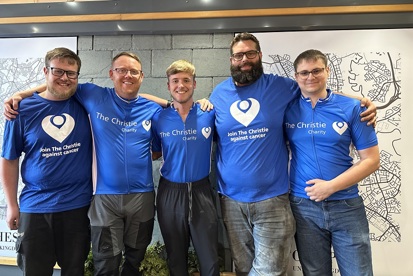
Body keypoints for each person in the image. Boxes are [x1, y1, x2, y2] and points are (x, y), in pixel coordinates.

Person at [208, 32, 377, 275]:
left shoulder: (281, 86)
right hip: (232, 200)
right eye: (238, 55)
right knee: (245, 267)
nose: (244, 59)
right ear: (231, 59)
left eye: (250, 53)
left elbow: (318, 90)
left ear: (260, 56)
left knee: (269, 269)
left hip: (275, 199)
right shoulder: (218, 93)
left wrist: (362, 101)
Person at [4, 52, 163, 276]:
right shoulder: (90, 96)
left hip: (103, 203)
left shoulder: (149, 108)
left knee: (127, 262)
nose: (127, 75)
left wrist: (172, 102)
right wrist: (21, 94)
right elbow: (57, 86)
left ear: (142, 76)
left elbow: (153, 140)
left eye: (133, 71)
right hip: (67, 203)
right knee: (103, 264)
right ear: (111, 74)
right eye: (121, 70)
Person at [284, 49, 379, 276]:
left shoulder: (353, 108)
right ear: (296, 76)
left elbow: (372, 160)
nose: (310, 77)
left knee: (359, 272)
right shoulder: (286, 109)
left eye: (316, 70)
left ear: (327, 70)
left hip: (346, 206)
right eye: (304, 72)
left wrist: (331, 187)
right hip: (303, 206)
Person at [0, 47, 92, 276]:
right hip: (35, 208)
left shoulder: (85, 102)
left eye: (71, 73)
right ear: (45, 70)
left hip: (77, 207)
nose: (65, 78)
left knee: (75, 271)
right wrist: (12, 205)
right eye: (58, 71)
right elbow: (9, 159)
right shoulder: (20, 111)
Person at [151, 60, 219, 276]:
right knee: (176, 259)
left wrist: (206, 102)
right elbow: (155, 152)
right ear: (169, 86)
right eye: (175, 81)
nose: (181, 85)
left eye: (186, 80)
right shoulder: (158, 117)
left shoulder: (209, 113)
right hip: (170, 192)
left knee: (209, 260)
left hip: (202, 191)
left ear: (195, 84)